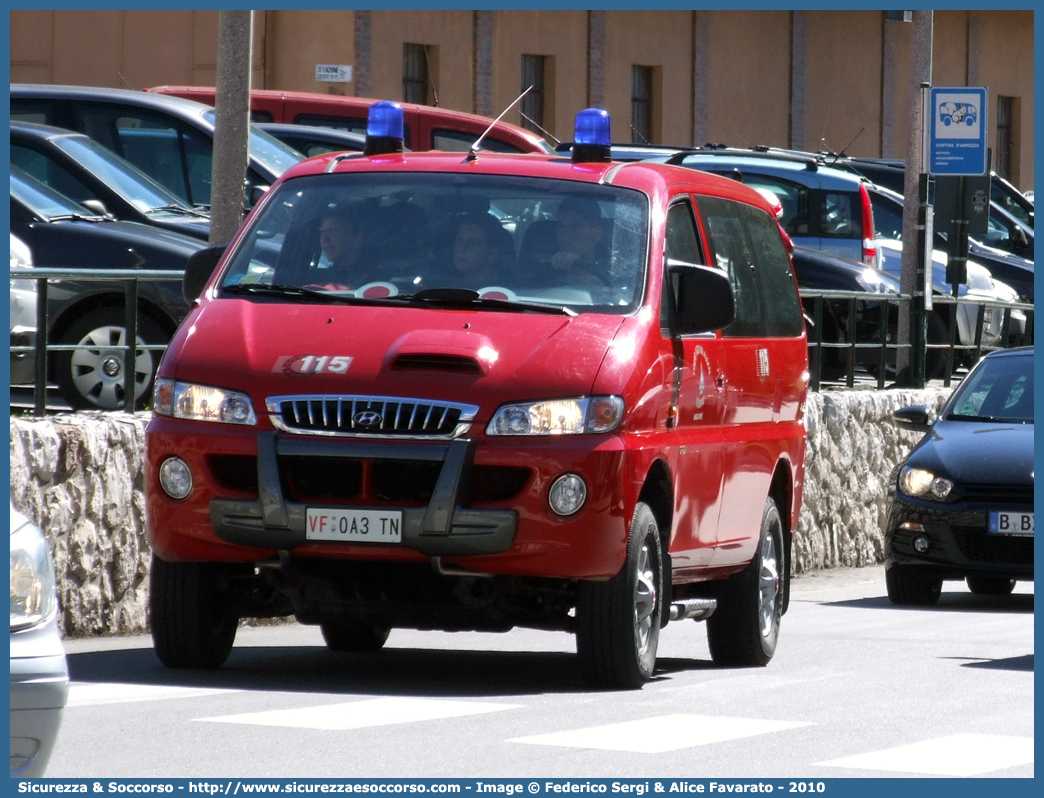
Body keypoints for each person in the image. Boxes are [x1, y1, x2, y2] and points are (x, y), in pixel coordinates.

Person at [443, 213, 511, 289]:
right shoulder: (442, 286)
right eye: (458, 239)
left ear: (492, 253)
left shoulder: (511, 291)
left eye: (472, 242)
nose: (461, 247)